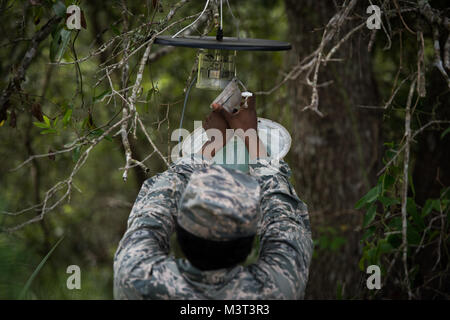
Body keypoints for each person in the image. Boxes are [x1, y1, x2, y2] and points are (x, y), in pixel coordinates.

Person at [113, 96, 313, 299]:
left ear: (178, 232)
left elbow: (152, 212)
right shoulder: (277, 289)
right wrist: (251, 137)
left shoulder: (137, 279)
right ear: (251, 242)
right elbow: (285, 220)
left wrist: (209, 147)